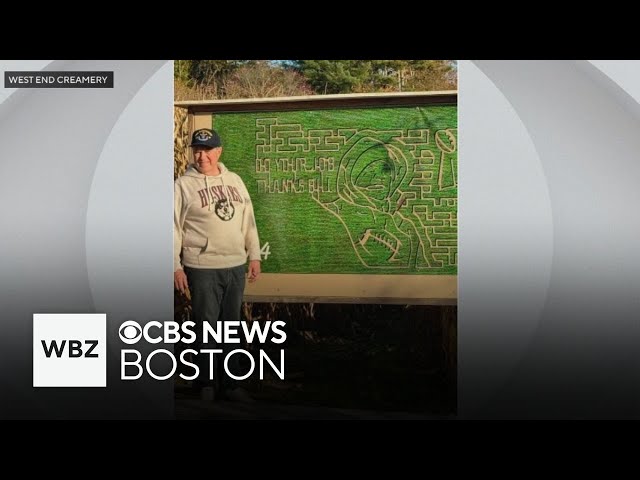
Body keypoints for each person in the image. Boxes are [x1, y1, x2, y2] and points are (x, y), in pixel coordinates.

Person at [174, 128, 261, 403]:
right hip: (202, 266)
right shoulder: (182, 185)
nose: (202, 156)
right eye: (197, 150)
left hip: (235, 264)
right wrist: (174, 265)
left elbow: (248, 219)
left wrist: (254, 254)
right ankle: (207, 383)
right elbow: (172, 227)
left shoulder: (234, 180)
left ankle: (231, 384)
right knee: (206, 325)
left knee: (231, 326)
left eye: (208, 150)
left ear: (218, 151)